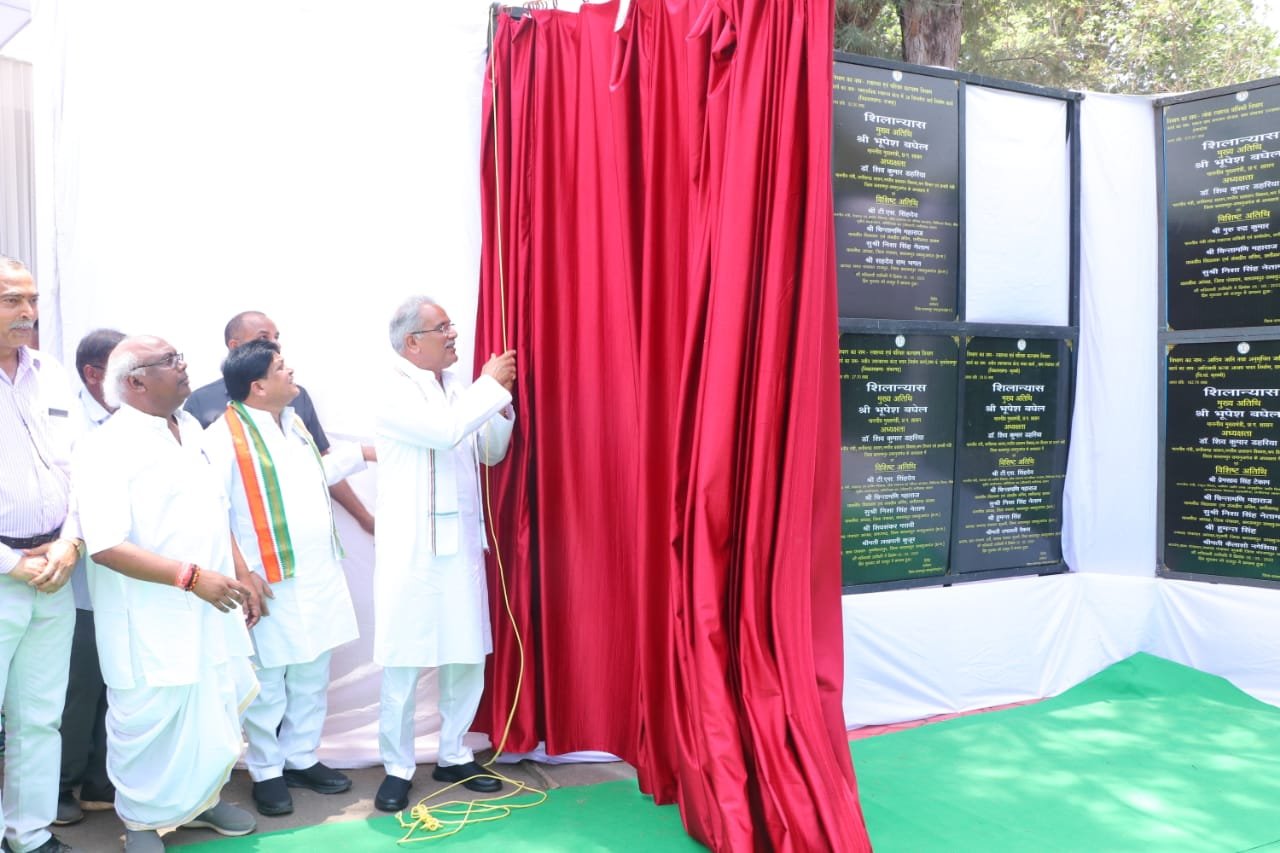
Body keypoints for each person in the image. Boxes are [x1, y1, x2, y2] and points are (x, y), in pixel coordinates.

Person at [72, 335, 262, 853]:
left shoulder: (190, 428)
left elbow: (215, 509)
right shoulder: (104, 447)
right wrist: (192, 579)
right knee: (149, 719)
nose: (184, 367)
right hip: (149, 616)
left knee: (214, 706)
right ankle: (140, 822)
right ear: (135, 381)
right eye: (171, 361)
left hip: (212, 605)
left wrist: (241, 571)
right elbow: (106, 545)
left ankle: (201, 802)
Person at [203, 339, 372, 817]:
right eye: (280, 367)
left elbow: (313, 475)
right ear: (258, 386)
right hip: (268, 579)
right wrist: (241, 573)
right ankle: (266, 770)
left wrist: (363, 453)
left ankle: (301, 757)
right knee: (269, 679)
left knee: (313, 671)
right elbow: (212, 511)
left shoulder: (293, 423)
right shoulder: (220, 438)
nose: (290, 371)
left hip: (316, 571)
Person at [372, 296, 516, 811]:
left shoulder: (457, 387)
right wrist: (489, 388)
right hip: (411, 550)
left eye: (451, 325)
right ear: (413, 342)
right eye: (442, 328)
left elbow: (490, 452)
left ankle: (454, 753)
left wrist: (499, 407)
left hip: (461, 548)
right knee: (404, 660)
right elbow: (443, 432)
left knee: (465, 652)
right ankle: (397, 766)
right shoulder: (391, 389)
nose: (453, 334)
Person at [0, 255, 78, 853]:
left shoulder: (50, 372)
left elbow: (81, 467)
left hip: (54, 570)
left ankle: (28, 834)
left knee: (40, 715)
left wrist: (71, 540)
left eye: (32, 300)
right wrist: (11, 563)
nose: (28, 312)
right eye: (12, 301)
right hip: (6, 573)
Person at [185, 311, 375, 534]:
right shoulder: (213, 424)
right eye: (263, 337)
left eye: (276, 337)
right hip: (262, 546)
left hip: (313, 542)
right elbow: (211, 499)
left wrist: (364, 515)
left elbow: (309, 472)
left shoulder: (294, 411)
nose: (275, 344)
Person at [55, 329, 125, 828]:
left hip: (129, 581)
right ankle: (60, 785)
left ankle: (102, 781)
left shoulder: (137, 418)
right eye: (124, 369)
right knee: (77, 691)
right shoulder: (70, 422)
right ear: (94, 374)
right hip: (79, 583)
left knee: (116, 684)